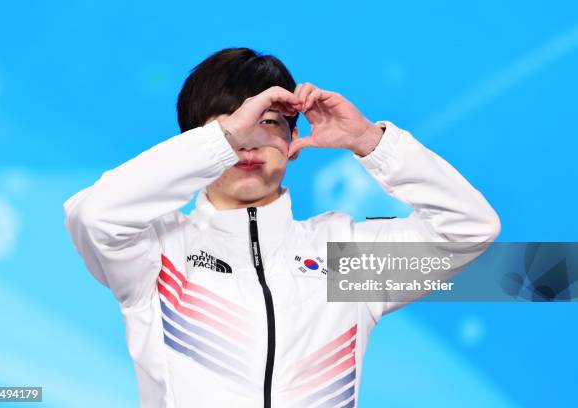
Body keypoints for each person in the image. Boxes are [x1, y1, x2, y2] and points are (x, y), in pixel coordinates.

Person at [63, 47, 500, 408]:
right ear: (198, 145)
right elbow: (93, 215)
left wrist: (369, 141)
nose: (249, 141)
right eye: (229, 127)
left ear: (292, 142)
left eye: (268, 123)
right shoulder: (158, 252)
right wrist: (219, 143)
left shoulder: (341, 256)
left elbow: (470, 227)